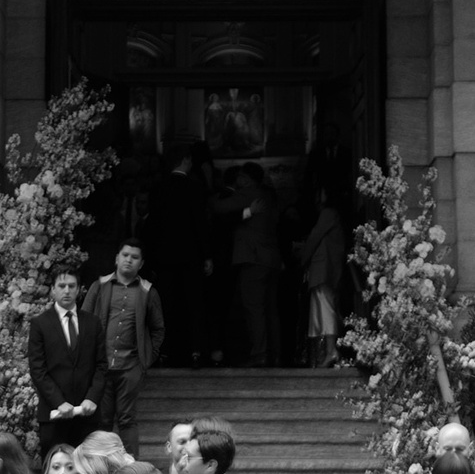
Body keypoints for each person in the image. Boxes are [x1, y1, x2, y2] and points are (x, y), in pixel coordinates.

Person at [83, 241, 164, 437]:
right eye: (125, 255)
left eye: (134, 257)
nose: (129, 260)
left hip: (131, 366)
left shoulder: (147, 291)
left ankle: (132, 467)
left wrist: (146, 360)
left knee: (127, 419)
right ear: (117, 258)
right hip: (101, 365)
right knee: (102, 420)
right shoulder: (100, 286)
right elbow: (83, 323)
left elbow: (158, 329)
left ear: (141, 264)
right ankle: (102, 467)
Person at [146, 145, 213, 366]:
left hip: (164, 258)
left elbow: (152, 226)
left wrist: (151, 258)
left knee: (166, 306)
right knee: (194, 305)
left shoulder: (158, 188)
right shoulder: (194, 187)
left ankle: (165, 352)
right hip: (191, 256)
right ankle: (195, 351)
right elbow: (200, 224)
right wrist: (207, 255)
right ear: (185, 160)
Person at [213, 162, 285, 365]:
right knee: (271, 309)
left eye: (241, 177)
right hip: (272, 258)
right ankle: (275, 353)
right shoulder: (269, 195)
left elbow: (219, 206)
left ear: (247, 178)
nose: (238, 180)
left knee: (254, 307)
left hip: (254, 258)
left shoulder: (248, 193)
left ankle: (259, 354)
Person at [28, 267, 105, 448]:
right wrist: (59, 402)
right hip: (54, 414)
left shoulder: (93, 323)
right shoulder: (40, 324)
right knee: (54, 470)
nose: (67, 290)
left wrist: (92, 398)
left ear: (79, 289)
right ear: (53, 289)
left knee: (87, 471)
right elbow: (38, 370)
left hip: (87, 414)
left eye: (72, 286)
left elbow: (102, 366)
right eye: (61, 286)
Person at [293, 183, 347, 367]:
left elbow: (315, 237)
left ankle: (331, 350)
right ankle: (325, 351)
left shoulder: (328, 213)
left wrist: (302, 258)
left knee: (324, 308)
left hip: (324, 270)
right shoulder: (331, 214)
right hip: (323, 270)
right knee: (321, 309)